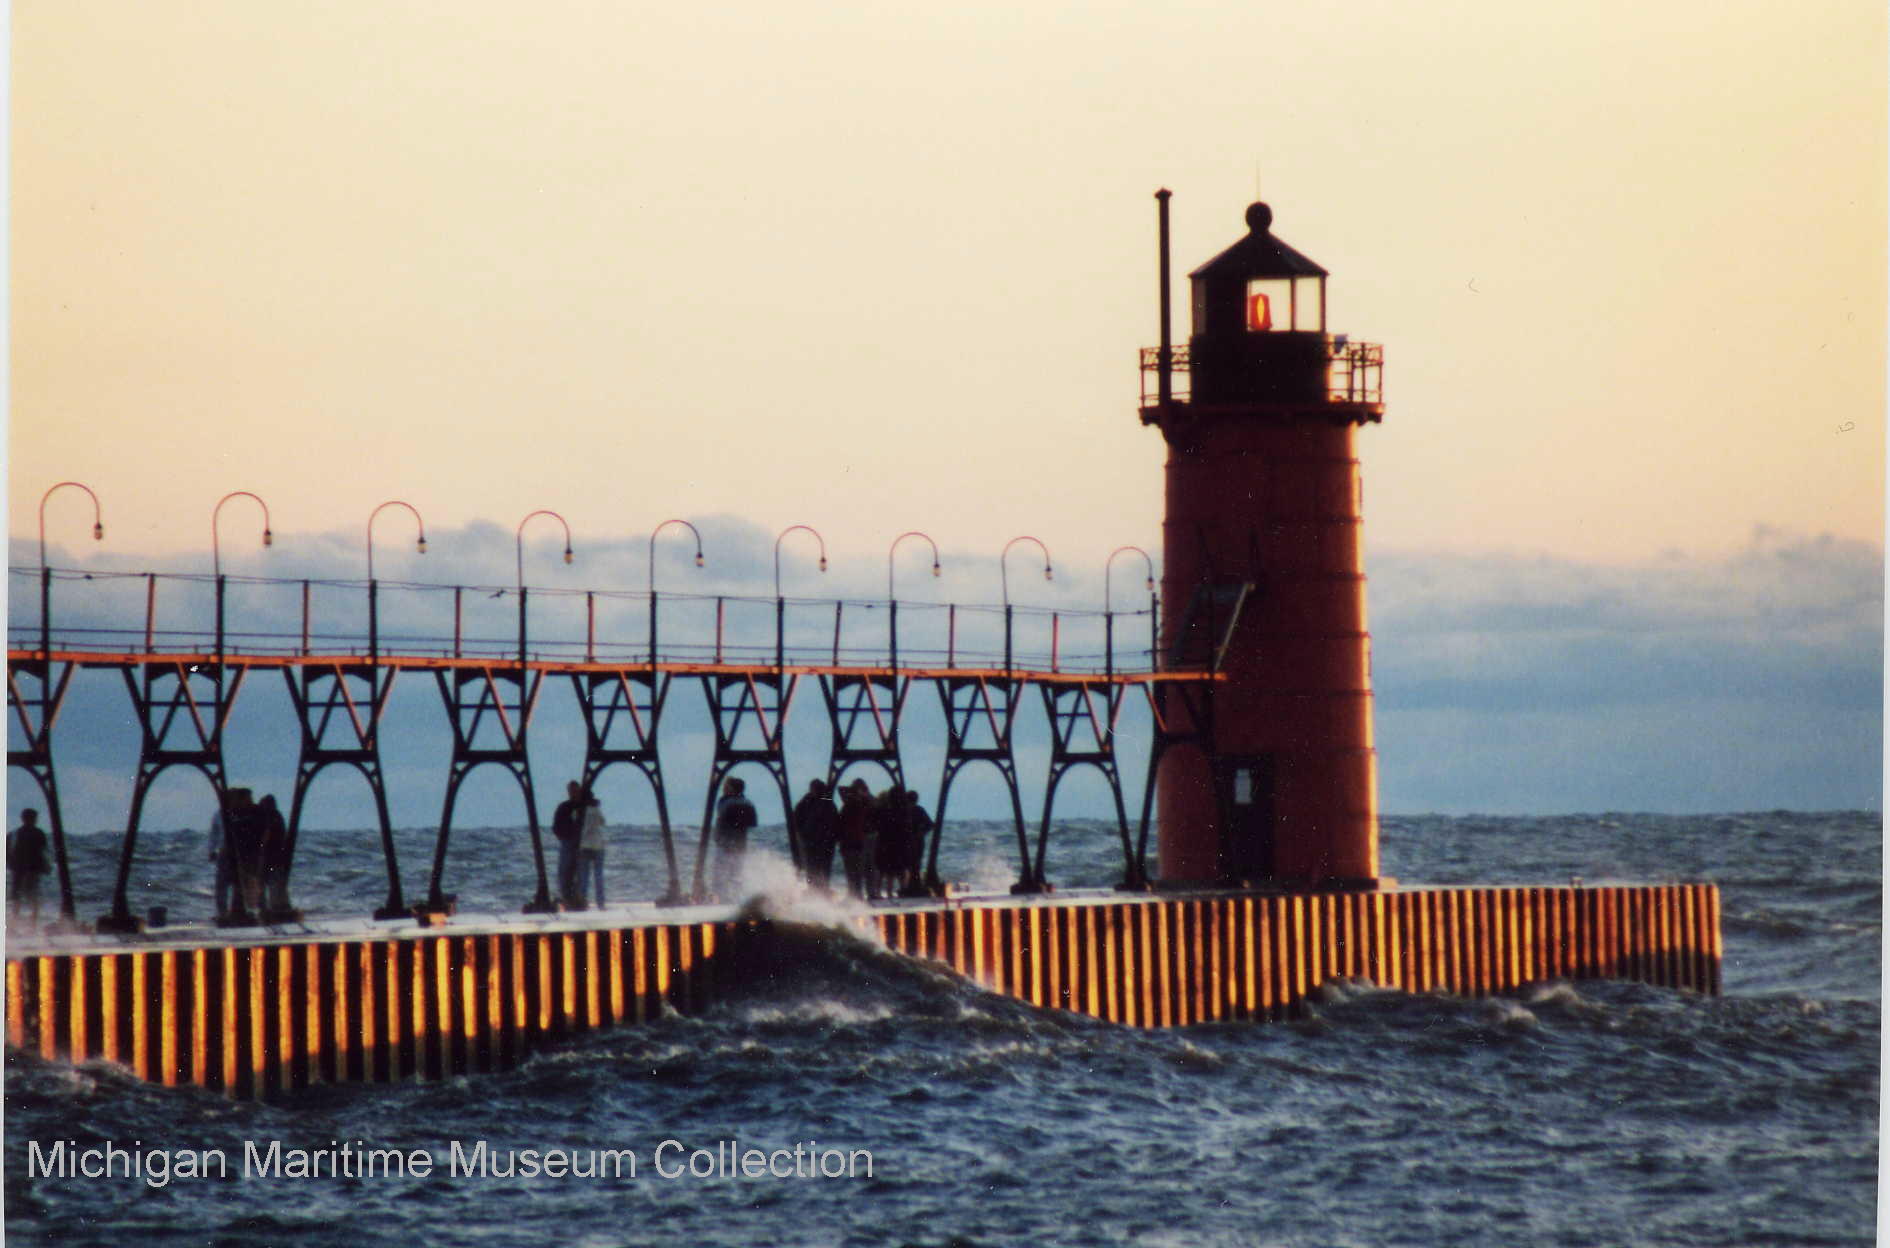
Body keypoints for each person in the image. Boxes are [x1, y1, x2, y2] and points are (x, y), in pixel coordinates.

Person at [711, 776, 758, 901]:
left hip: (725, 845)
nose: (723, 788)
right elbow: (752, 823)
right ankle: (735, 900)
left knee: (720, 876)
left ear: (731, 788)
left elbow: (721, 815)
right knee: (736, 875)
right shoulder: (748, 803)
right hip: (740, 845)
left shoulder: (725, 802)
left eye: (726, 786)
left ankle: (722, 900)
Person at [793, 779, 839, 895]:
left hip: (823, 841)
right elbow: (797, 820)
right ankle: (814, 890)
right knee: (813, 867)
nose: (818, 791)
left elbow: (834, 819)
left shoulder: (824, 801)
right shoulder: (806, 802)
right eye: (817, 788)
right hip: (812, 841)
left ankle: (822, 889)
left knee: (821, 867)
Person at [8, 809, 50, 923]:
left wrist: (10, 864)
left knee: (18, 896)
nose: (35, 820)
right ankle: (31, 923)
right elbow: (43, 851)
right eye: (34, 818)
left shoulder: (14, 833)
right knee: (31, 896)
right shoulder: (38, 833)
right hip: (31, 868)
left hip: (19, 868)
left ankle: (16, 923)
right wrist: (46, 866)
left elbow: (7, 852)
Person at [836, 779, 874, 901]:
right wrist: (858, 791)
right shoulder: (860, 804)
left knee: (853, 871)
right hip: (855, 842)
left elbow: (841, 790)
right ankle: (856, 895)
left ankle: (855, 896)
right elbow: (841, 790)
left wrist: (854, 790)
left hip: (852, 842)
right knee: (855, 871)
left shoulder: (855, 806)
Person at [551, 780, 584, 909]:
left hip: (580, 843)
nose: (574, 793)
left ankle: (576, 899)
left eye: (576, 791)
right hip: (567, 842)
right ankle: (567, 899)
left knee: (579, 873)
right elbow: (556, 826)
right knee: (565, 873)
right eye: (571, 791)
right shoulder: (564, 807)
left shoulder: (583, 807)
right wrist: (563, 837)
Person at [256, 794, 291, 916]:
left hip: (269, 854)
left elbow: (267, 835)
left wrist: (260, 848)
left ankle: (267, 908)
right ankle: (277, 906)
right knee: (274, 881)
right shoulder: (277, 815)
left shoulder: (270, 816)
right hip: (278, 854)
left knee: (264, 881)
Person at [900, 789, 935, 896]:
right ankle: (915, 886)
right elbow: (930, 825)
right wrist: (922, 833)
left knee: (906, 864)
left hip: (907, 840)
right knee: (916, 864)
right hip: (918, 841)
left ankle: (908, 887)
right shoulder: (919, 810)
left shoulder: (905, 810)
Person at [577, 787, 607, 908]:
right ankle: (600, 903)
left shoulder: (581, 810)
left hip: (584, 845)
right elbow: (603, 822)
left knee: (584, 876)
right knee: (598, 876)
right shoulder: (596, 809)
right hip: (598, 845)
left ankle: (582, 902)